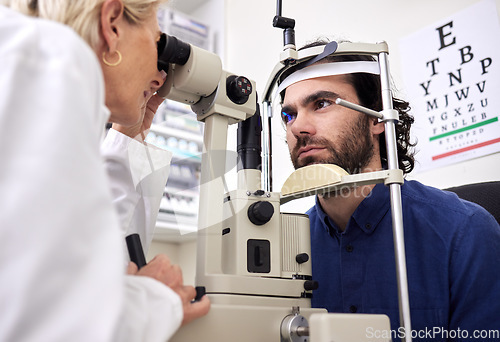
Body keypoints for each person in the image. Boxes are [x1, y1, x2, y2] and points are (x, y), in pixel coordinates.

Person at [0, 0, 209, 341]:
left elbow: (91, 266)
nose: (159, 77)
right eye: (157, 43)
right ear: (112, 23)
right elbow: (60, 325)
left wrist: (130, 138)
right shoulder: (45, 54)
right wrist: (156, 298)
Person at [279, 39, 500, 340]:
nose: (297, 127)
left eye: (321, 103)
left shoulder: (464, 233)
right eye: (288, 115)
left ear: (376, 117)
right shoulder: (286, 251)